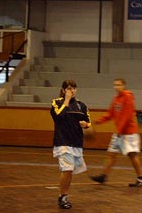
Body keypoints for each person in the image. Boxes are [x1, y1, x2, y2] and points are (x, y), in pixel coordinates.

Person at [90, 78, 142, 187]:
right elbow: (110, 114)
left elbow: (127, 115)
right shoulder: (116, 99)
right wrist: (97, 121)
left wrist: (120, 130)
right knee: (111, 154)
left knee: (132, 155)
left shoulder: (128, 97)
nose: (116, 87)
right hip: (119, 133)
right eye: (115, 85)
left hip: (128, 133)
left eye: (119, 85)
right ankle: (103, 176)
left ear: (124, 86)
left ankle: (141, 178)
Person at [50, 79, 91, 209]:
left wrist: (86, 125)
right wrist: (66, 100)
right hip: (63, 141)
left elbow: (88, 121)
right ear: (63, 90)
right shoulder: (56, 102)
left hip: (76, 143)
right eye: (68, 88)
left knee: (70, 170)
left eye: (73, 88)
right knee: (67, 169)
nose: (71, 91)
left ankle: (65, 194)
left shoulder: (82, 105)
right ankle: (62, 196)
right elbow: (58, 116)